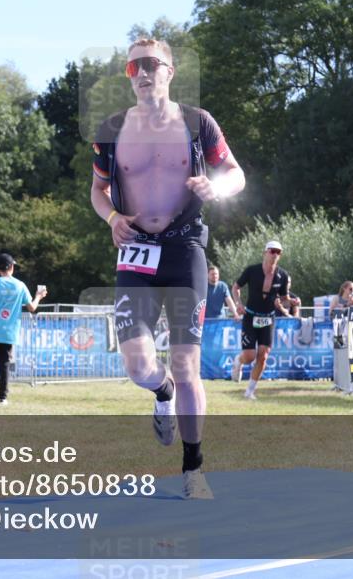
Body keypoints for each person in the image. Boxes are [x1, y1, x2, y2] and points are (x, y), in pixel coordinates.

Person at [90, 38, 245, 499]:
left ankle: (193, 469)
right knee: (138, 365)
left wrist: (217, 187)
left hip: (184, 249)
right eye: (133, 66)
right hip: (136, 250)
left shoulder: (197, 123)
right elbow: (98, 191)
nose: (141, 73)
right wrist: (113, 218)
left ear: (170, 71)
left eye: (151, 64)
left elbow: (236, 174)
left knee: (187, 362)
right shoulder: (112, 129)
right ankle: (162, 392)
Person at [0, 254, 48, 405]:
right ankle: (2, 398)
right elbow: (32, 307)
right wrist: (39, 296)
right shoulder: (20, 285)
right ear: (12, 267)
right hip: (8, 333)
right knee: (4, 365)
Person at [230, 240, 289, 400]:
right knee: (249, 356)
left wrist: (283, 303)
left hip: (268, 318)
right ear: (265, 252)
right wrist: (238, 304)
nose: (275, 254)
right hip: (250, 316)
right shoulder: (252, 270)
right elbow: (236, 287)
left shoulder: (282, 275)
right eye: (272, 251)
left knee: (263, 355)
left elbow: (284, 298)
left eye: (278, 252)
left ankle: (250, 391)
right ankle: (238, 361)